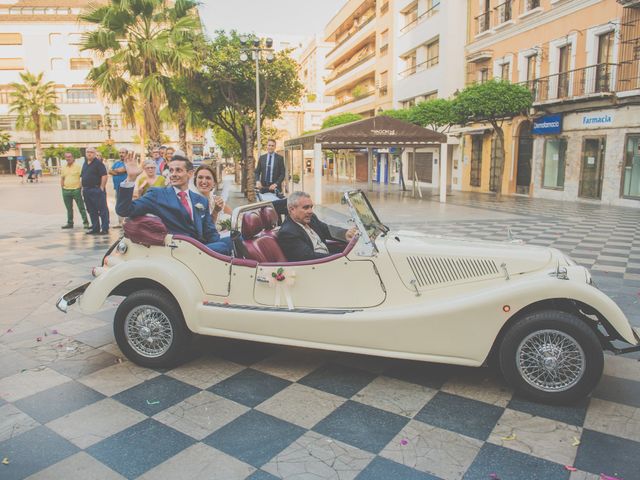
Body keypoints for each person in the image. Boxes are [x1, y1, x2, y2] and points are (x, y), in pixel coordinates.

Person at [116, 151, 233, 255]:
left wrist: (221, 249)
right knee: (224, 246)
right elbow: (124, 210)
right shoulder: (158, 195)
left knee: (233, 240)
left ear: (190, 173)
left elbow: (210, 231)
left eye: (178, 170)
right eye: (171, 170)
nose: (173, 174)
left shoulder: (200, 200)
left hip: (199, 249)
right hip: (177, 251)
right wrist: (131, 179)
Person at [277, 191, 357, 262]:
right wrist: (342, 257)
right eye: (306, 207)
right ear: (292, 209)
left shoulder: (310, 219)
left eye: (311, 207)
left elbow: (327, 229)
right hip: (318, 267)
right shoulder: (287, 232)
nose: (310, 211)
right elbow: (309, 257)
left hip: (329, 258)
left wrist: (346, 233)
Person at [193, 164, 232, 231]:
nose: (204, 181)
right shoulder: (192, 201)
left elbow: (234, 214)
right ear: (195, 181)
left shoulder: (214, 199)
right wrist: (215, 211)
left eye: (208, 178)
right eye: (200, 177)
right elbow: (204, 230)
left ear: (214, 183)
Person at [82, 147, 110, 235]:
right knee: (91, 210)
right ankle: (95, 228)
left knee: (102, 209)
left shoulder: (98, 163)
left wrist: (101, 187)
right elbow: (83, 176)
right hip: (87, 190)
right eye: (87, 152)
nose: (89, 154)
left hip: (96, 189)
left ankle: (104, 228)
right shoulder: (85, 163)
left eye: (91, 152)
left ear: (94, 154)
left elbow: (104, 175)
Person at [60, 152, 90, 230]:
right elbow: (62, 178)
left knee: (81, 207)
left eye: (69, 157)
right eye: (66, 157)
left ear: (73, 158)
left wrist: (80, 186)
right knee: (69, 208)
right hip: (66, 190)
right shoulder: (63, 167)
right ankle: (70, 223)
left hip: (76, 190)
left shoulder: (78, 167)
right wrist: (62, 187)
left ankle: (86, 223)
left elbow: (83, 177)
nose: (68, 158)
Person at [109, 148, 128, 228]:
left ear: (126, 154)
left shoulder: (128, 163)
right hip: (117, 188)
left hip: (126, 188)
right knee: (118, 205)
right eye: (120, 152)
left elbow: (124, 169)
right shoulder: (117, 163)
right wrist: (118, 171)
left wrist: (116, 171)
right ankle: (120, 222)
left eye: (123, 152)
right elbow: (110, 171)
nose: (121, 154)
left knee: (126, 205)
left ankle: (127, 222)